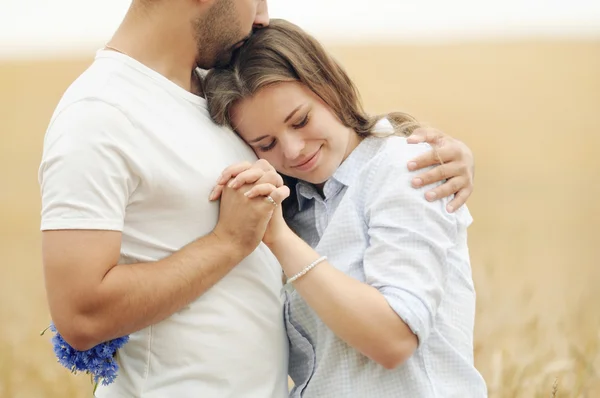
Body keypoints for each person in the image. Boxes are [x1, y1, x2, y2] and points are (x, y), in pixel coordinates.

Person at [38, 1, 476, 397]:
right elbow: (81, 317)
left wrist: (421, 151)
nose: (263, 14)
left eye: (298, 122)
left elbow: (332, 144)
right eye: (264, 144)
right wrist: (231, 241)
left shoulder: (216, 89)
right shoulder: (98, 115)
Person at [204, 19, 487, 397]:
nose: (292, 150)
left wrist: (279, 238)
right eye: (266, 143)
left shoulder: (404, 168)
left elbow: (394, 339)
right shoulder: (293, 204)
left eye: (301, 120)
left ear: (329, 85)